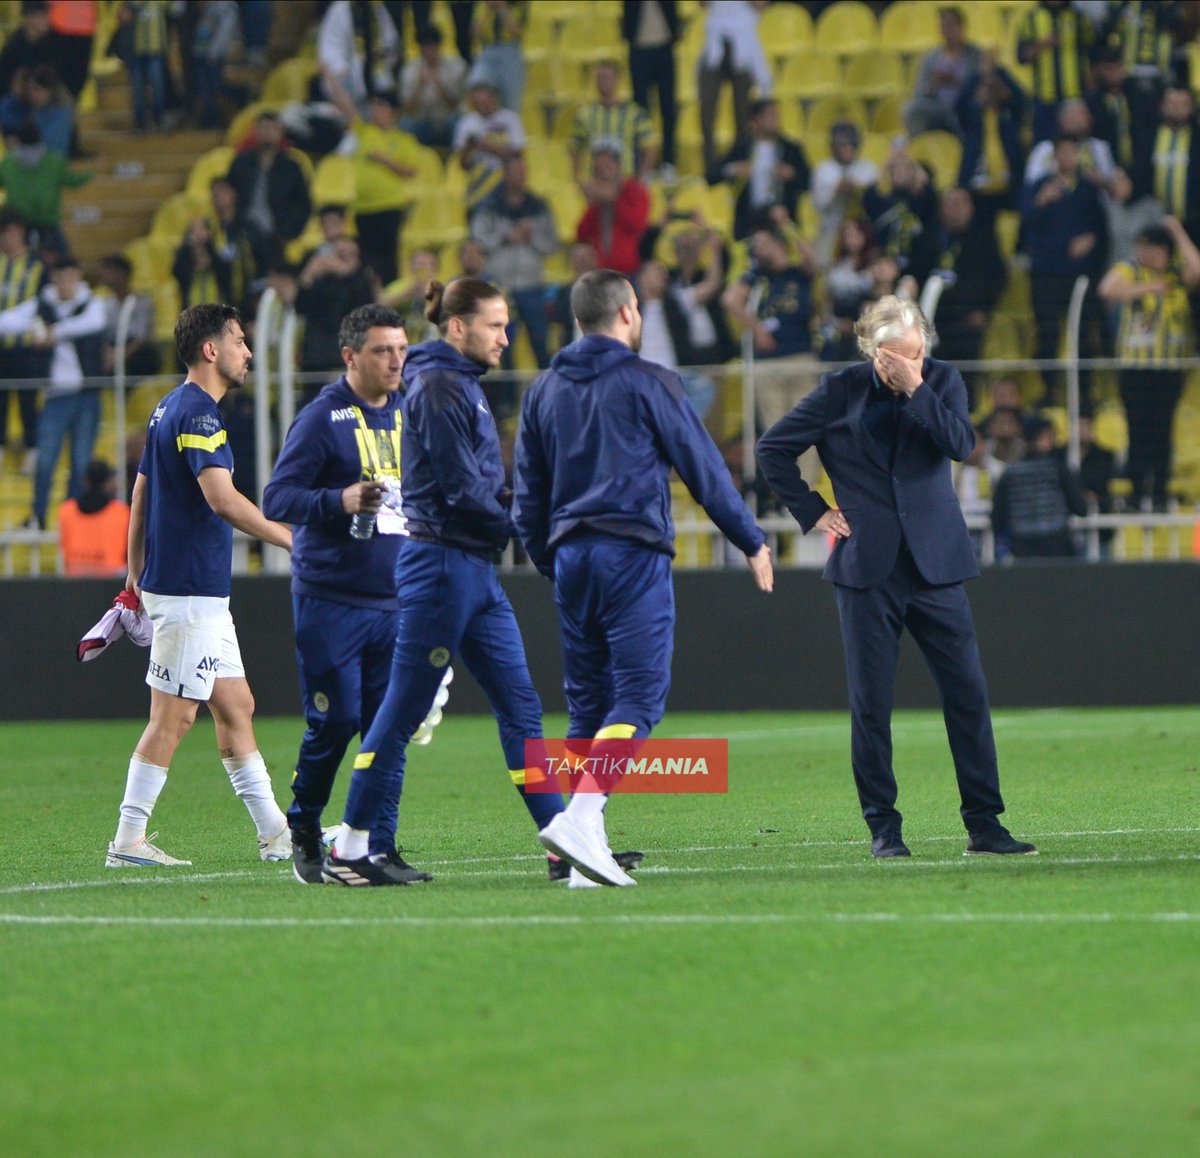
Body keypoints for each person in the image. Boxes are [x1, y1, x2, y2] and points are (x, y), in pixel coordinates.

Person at [512, 268, 773, 886]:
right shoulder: (649, 380)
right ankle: (580, 818)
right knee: (638, 699)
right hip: (630, 553)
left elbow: (526, 500)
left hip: (570, 557)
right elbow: (702, 466)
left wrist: (555, 561)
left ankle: (582, 855)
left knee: (587, 707)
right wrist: (752, 540)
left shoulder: (543, 390)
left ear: (579, 320)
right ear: (630, 313)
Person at [755, 295, 1037, 859]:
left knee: (967, 695)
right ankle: (884, 830)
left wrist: (917, 387)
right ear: (873, 353)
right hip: (867, 569)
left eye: (917, 352)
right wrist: (815, 511)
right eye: (897, 357)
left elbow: (960, 444)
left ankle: (985, 825)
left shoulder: (944, 382)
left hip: (937, 565)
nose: (911, 362)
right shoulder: (839, 391)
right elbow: (772, 450)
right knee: (870, 705)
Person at [321, 279, 567, 886]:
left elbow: (480, 486)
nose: (506, 338)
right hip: (440, 568)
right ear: (457, 327)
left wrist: (525, 512)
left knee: (522, 709)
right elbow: (461, 491)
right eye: (495, 326)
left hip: (473, 570)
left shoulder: (459, 386)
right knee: (402, 711)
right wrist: (528, 526)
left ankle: (565, 844)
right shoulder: (435, 387)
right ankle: (349, 847)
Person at [107, 303, 294, 868]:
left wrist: (135, 569)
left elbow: (140, 496)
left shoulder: (167, 408)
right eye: (239, 340)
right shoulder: (200, 416)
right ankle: (128, 841)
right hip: (189, 591)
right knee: (174, 717)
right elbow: (221, 498)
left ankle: (276, 834)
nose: (248, 352)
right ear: (211, 349)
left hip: (193, 591)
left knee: (236, 706)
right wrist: (290, 539)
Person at [263, 305, 443, 883]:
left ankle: (377, 846)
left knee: (388, 728)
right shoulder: (322, 418)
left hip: (399, 598)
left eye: (401, 349)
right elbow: (277, 498)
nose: (397, 361)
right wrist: (336, 502)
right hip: (331, 599)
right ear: (350, 357)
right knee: (336, 722)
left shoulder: (413, 412)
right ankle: (305, 828)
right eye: (382, 351)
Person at [1098, 216, 1200, 510]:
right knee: (1137, 430)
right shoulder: (1130, 271)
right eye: (1143, 247)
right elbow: (1107, 289)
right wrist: (1146, 289)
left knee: (1162, 431)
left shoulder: (1178, 275)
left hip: (1169, 368)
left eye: (1152, 248)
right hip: (1135, 368)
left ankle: (1159, 490)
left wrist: (1179, 232)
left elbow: (1198, 270)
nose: (1146, 253)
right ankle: (1135, 490)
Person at [0, 254, 105, 530]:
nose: (66, 283)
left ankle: (72, 519)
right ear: (54, 279)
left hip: (86, 395)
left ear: (79, 278)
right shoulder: (43, 305)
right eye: (61, 278)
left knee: (81, 462)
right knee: (45, 460)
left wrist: (51, 333)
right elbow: (10, 321)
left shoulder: (92, 304)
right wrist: (43, 331)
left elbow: (91, 324)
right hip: (55, 396)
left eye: (71, 277)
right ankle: (38, 515)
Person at [470, 152, 558, 369]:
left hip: (532, 285)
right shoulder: (489, 205)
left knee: (540, 341)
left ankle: (547, 391)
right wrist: (506, 237)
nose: (520, 176)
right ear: (505, 174)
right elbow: (478, 238)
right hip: (500, 287)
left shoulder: (539, 205)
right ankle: (506, 400)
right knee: (502, 346)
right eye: (515, 172)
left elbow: (551, 244)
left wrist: (532, 237)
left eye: (523, 172)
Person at [708, 97, 810, 242]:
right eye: (770, 115)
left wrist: (792, 175)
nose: (775, 120)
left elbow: (809, 180)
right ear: (756, 120)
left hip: (781, 216)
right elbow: (711, 176)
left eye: (777, 115)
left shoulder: (790, 149)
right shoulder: (742, 148)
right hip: (748, 219)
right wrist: (733, 170)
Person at [990, 414, 1088, 559]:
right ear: (1044, 436)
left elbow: (997, 518)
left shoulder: (1009, 473)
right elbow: (1080, 508)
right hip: (1058, 548)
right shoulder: (1058, 469)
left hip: (1022, 551)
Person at [569, 58, 656, 185]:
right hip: (593, 186)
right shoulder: (584, 114)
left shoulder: (635, 114)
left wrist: (639, 181)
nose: (603, 82)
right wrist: (577, 180)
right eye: (599, 78)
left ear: (618, 79)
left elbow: (649, 150)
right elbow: (575, 149)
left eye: (607, 77)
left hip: (625, 183)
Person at [621, 1, 679, 178]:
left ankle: (669, 162)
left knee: (668, 110)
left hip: (664, 49)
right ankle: (643, 164)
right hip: (639, 49)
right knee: (641, 112)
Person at [576, 144, 649, 276]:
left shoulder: (634, 190)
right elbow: (582, 233)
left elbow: (636, 225)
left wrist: (615, 200)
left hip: (629, 270)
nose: (604, 173)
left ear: (618, 167)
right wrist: (594, 203)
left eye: (608, 167)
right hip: (601, 270)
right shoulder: (598, 200)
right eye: (599, 169)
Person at [398, 24, 467, 148]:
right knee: (405, 124)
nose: (429, 51)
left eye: (432, 46)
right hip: (424, 123)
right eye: (424, 47)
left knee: (459, 121)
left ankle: (456, 158)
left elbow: (456, 104)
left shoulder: (456, 65)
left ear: (439, 46)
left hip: (446, 121)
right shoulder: (410, 70)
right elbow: (406, 109)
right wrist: (419, 87)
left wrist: (440, 85)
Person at [58, 457, 129, 576]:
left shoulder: (66, 510)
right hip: (112, 580)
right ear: (108, 481)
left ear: (85, 481)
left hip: (75, 578)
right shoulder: (122, 512)